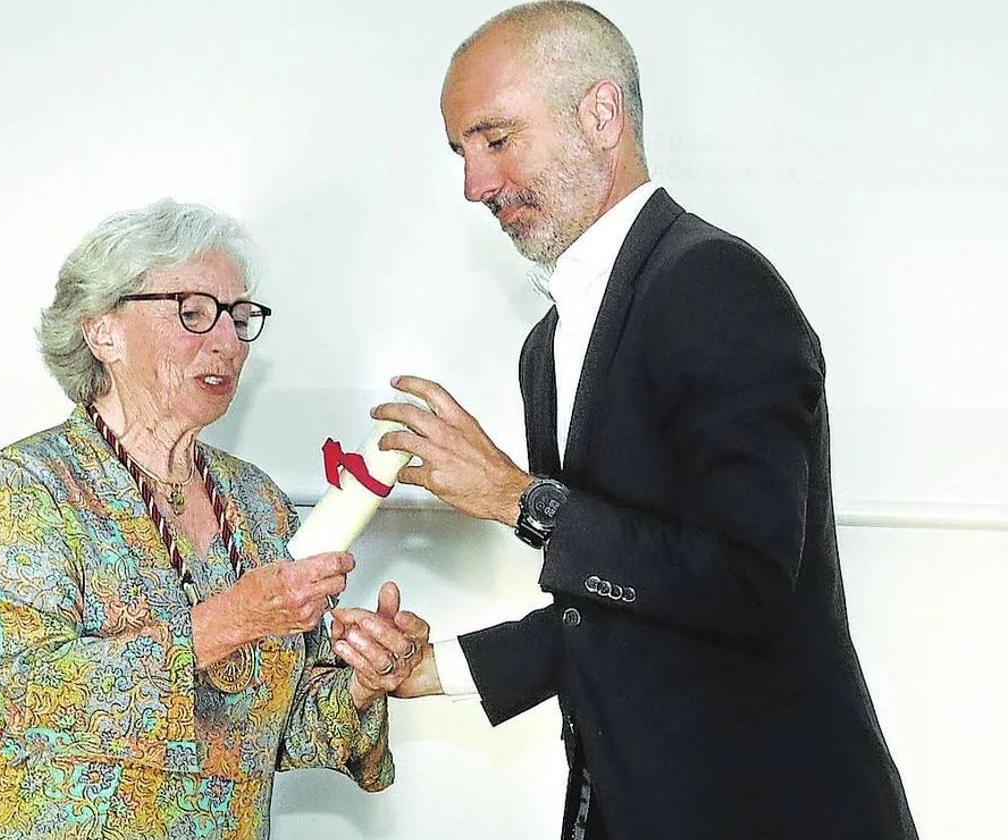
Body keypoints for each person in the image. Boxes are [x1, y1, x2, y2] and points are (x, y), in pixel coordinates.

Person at [339, 3, 918, 838]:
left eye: (495, 140)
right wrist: (437, 669)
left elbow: (745, 584)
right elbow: (621, 604)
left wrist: (519, 498)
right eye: (461, 153)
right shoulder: (546, 346)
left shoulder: (716, 284)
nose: (475, 186)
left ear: (600, 116)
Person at [0, 198, 430, 840]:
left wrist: (360, 680)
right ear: (103, 331)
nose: (227, 343)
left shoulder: (256, 502)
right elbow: (30, 697)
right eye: (193, 313)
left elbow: (262, 730)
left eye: (240, 319)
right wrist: (229, 621)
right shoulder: (29, 486)